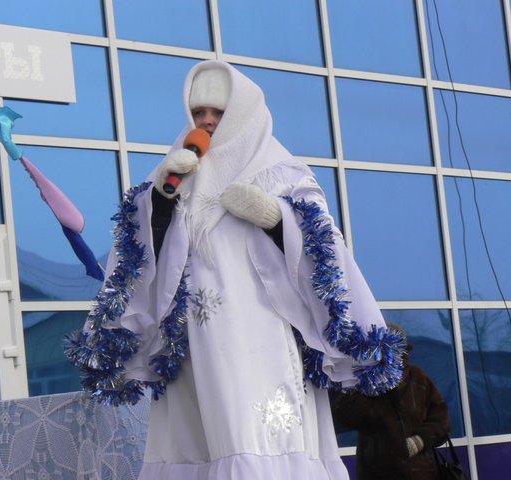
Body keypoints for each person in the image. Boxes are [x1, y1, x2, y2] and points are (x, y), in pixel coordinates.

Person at [66, 60, 406, 479]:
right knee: (198, 441)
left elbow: (327, 253)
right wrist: (160, 201)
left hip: (259, 336)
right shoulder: (174, 172)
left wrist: (277, 219)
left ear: (243, 111)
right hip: (192, 345)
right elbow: (138, 254)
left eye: (218, 111)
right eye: (198, 112)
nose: (207, 120)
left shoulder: (282, 172)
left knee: (254, 438)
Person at [332, 324, 451, 480]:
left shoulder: (418, 378)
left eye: (392, 349)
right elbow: (344, 415)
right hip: (376, 473)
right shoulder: (364, 379)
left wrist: (420, 440)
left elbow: (442, 421)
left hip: (420, 472)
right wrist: (370, 385)